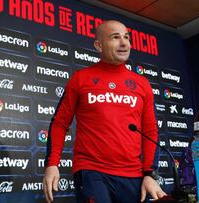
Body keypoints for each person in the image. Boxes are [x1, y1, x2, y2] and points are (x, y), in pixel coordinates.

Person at [43, 20, 166, 203]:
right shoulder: (80, 79)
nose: (124, 43)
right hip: (92, 170)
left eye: (126, 37)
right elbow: (60, 123)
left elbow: (150, 131)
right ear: (98, 45)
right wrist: (52, 163)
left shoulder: (142, 84)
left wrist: (150, 174)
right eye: (115, 37)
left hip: (133, 175)